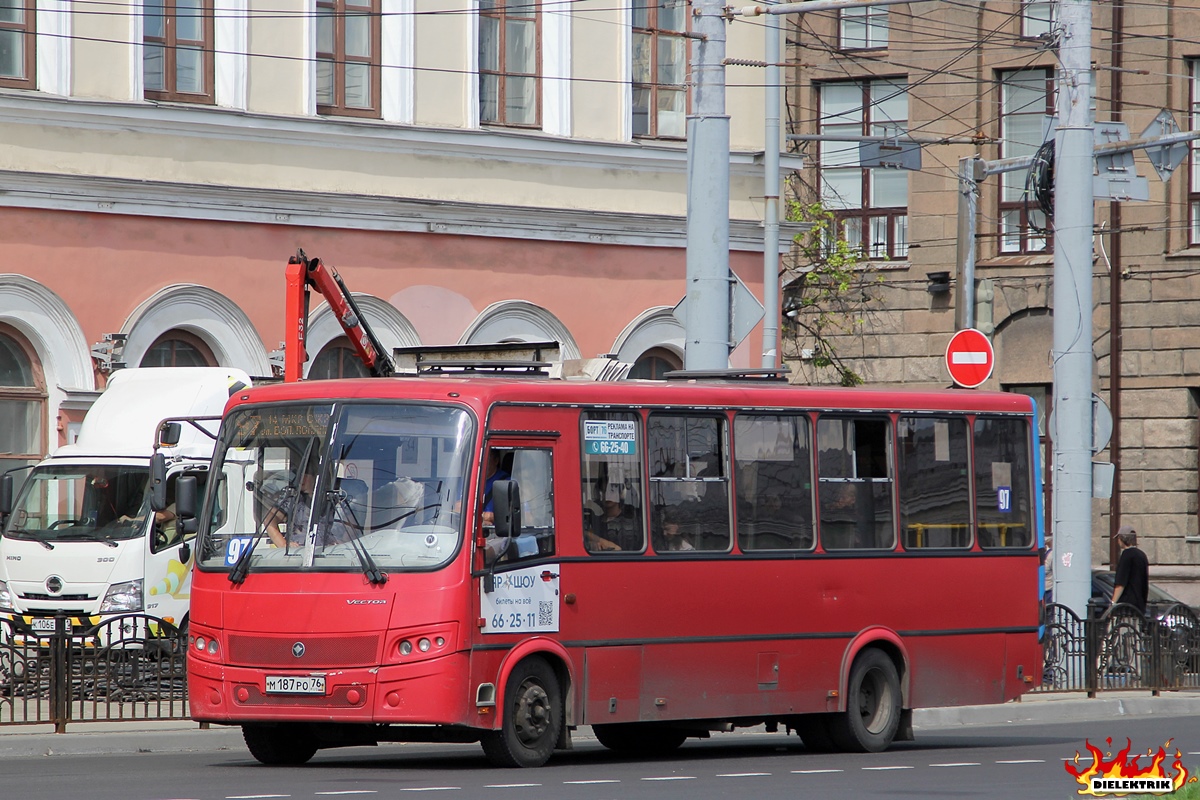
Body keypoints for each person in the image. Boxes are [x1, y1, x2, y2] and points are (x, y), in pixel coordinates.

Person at [264, 466, 357, 549]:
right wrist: (283, 544)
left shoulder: (335, 499)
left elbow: (351, 526)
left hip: (329, 556)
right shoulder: (293, 498)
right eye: (300, 475)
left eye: (306, 475)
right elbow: (269, 520)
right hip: (298, 555)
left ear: (317, 478)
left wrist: (342, 545)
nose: (302, 479)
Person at [585, 487, 641, 552]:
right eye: (604, 491)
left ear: (620, 494)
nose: (607, 495)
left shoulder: (631, 519)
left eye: (612, 491)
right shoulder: (595, 522)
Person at [1111, 525, 1149, 615]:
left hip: (1126, 607)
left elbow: (1120, 583)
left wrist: (1113, 604)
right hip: (1139, 607)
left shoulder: (1126, 555)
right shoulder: (1141, 555)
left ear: (1122, 539)